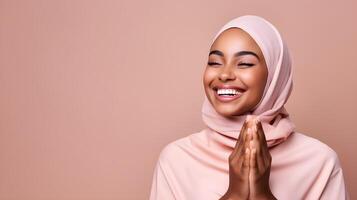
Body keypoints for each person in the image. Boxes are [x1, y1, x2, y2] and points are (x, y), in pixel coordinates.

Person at [149, 15, 349, 200]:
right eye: (214, 62)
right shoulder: (177, 159)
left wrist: (261, 194)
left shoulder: (320, 163)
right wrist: (236, 193)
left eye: (244, 63)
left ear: (274, 75)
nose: (225, 74)